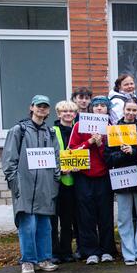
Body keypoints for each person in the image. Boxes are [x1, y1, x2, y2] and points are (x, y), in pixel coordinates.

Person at [2, 94, 60, 273]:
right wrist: (14, 182)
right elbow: (9, 159)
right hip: (24, 185)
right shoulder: (18, 130)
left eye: (45, 106)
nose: (42, 109)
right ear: (32, 107)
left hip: (45, 186)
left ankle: (44, 259)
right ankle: (27, 261)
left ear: (48, 110)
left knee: (45, 225)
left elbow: (56, 159)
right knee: (28, 225)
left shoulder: (50, 132)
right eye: (38, 106)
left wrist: (54, 180)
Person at [68, 96, 117, 265]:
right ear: (91, 109)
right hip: (84, 176)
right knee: (86, 216)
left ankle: (107, 250)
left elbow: (114, 152)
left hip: (104, 176)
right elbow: (72, 151)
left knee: (105, 214)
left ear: (107, 109)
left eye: (103, 106)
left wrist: (101, 143)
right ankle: (91, 251)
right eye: (96, 106)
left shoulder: (111, 127)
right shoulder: (79, 125)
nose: (99, 108)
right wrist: (89, 142)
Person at [104, 99, 137, 266]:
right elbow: (108, 158)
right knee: (124, 219)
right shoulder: (113, 130)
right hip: (121, 179)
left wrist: (134, 151)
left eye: (134, 110)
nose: (130, 113)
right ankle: (128, 253)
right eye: (128, 109)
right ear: (123, 110)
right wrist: (124, 154)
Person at [51, 100, 78, 263]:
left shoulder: (79, 129)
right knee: (53, 220)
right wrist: (60, 168)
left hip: (73, 181)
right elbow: (48, 154)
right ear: (59, 114)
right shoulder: (51, 131)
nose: (68, 114)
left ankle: (67, 251)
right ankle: (54, 252)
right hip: (55, 181)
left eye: (71, 111)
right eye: (64, 111)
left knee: (68, 219)